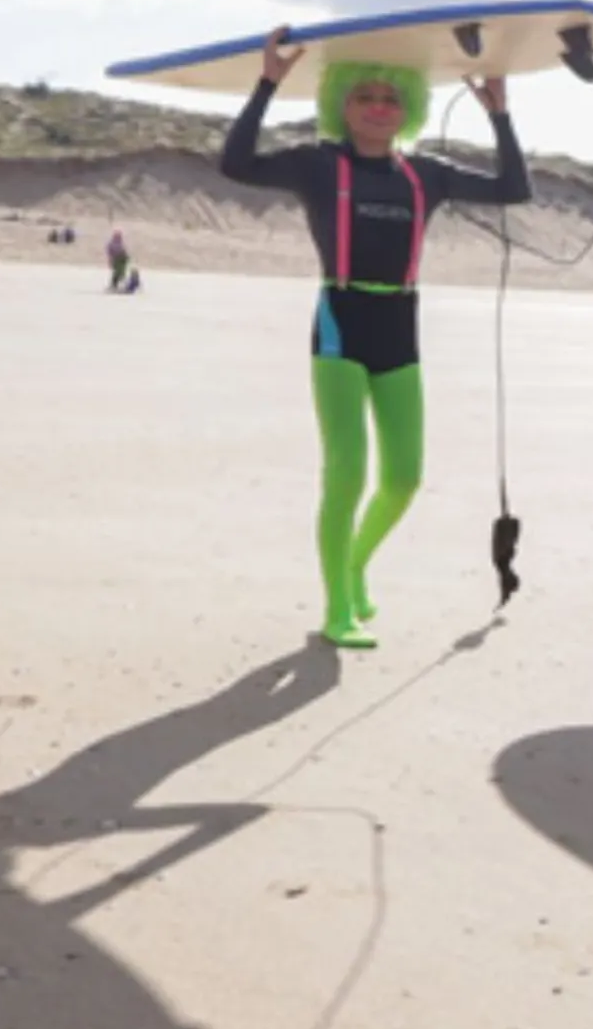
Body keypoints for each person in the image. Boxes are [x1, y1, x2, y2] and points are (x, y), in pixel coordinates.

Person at [218, 32, 530, 646]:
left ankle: (355, 564)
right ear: (342, 103)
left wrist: (499, 112)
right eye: (365, 95)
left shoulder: (426, 175)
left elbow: (512, 188)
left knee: (405, 477)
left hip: (399, 328)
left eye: (391, 97)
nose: (379, 106)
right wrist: (268, 83)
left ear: (408, 107)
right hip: (340, 321)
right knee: (346, 473)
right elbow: (235, 164)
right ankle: (338, 609)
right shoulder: (316, 164)